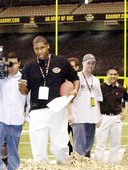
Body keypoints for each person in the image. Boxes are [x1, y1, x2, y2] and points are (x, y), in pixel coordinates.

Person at [18, 35, 79, 163]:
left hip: (57, 108)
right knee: (38, 151)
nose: (40, 51)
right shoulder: (29, 66)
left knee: (60, 148)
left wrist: (74, 90)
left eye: (42, 48)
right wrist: (21, 87)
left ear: (48, 46)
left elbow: (75, 79)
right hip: (37, 111)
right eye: (36, 49)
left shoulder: (61, 61)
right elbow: (24, 92)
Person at [0, 51, 26, 170]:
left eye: (14, 64)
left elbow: (28, 98)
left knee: (13, 151)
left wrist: (27, 116)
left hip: (16, 120)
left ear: (19, 63)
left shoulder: (24, 78)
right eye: (9, 64)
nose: (11, 67)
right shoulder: (0, 76)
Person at [94, 67, 128, 163]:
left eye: (115, 74)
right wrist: (98, 116)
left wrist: (125, 111)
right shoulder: (101, 87)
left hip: (116, 118)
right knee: (101, 143)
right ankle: (98, 164)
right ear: (107, 75)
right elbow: (95, 102)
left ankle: (113, 164)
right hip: (103, 117)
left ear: (118, 76)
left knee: (116, 143)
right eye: (111, 74)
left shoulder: (121, 88)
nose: (113, 76)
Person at [71, 54, 103, 158]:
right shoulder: (76, 77)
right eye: (88, 63)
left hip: (92, 117)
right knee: (79, 149)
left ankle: (85, 169)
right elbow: (70, 98)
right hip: (79, 117)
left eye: (93, 63)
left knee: (88, 147)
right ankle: (77, 169)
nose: (91, 65)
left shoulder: (96, 80)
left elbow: (98, 100)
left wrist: (98, 116)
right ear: (83, 63)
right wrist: (70, 114)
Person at [67, 57, 80, 154]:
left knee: (78, 141)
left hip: (78, 115)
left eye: (72, 67)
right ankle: (70, 153)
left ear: (77, 67)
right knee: (63, 139)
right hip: (65, 115)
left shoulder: (82, 81)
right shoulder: (63, 81)